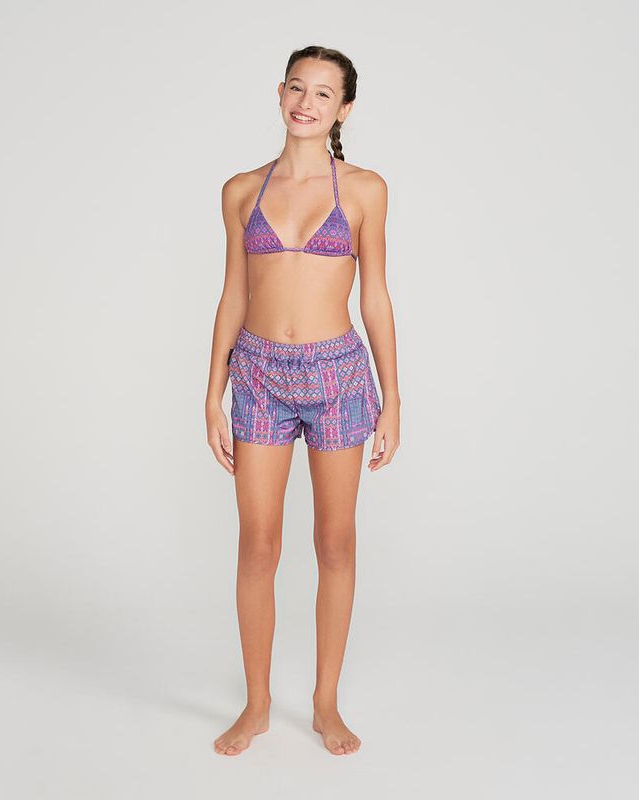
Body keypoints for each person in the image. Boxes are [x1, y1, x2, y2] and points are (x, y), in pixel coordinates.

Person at [205, 45, 400, 756]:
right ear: (280, 93)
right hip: (258, 373)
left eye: (323, 93)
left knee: (335, 542)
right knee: (257, 544)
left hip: (337, 377)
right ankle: (257, 705)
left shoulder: (365, 190)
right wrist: (213, 390)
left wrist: (393, 398)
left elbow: (375, 298)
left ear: (344, 109)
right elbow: (233, 293)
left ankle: (325, 703)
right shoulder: (240, 190)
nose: (306, 102)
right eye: (297, 87)